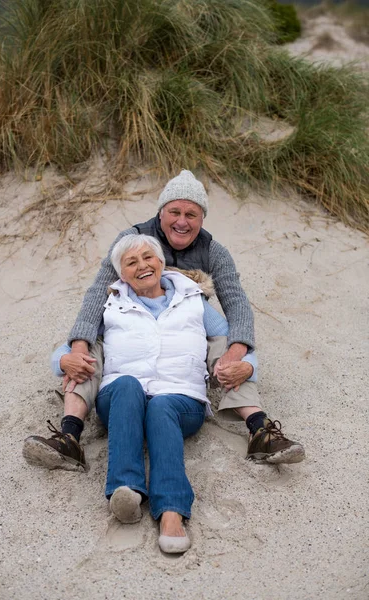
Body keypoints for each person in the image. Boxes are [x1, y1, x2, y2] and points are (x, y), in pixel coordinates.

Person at [23, 170, 305, 472]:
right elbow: (98, 293)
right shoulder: (132, 241)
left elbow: (236, 303)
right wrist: (76, 347)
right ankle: (69, 436)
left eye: (191, 214)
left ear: (202, 219)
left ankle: (260, 430)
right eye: (174, 212)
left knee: (227, 344)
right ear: (161, 213)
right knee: (87, 349)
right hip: (130, 320)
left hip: (187, 321)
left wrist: (239, 355)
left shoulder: (214, 252)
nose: (182, 221)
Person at [25, 235, 259, 553]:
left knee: (162, 406)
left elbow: (230, 342)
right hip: (121, 399)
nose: (142, 266)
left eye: (148, 258)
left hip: (181, 400)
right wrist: (62, 360)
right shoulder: (111, 304)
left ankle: (172, 512)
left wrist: (249, 366)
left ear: (161, 262)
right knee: (125, 384)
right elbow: (70, 350)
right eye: (131, 262)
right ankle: (126, 489)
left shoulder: (194, 301)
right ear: (121, 274)